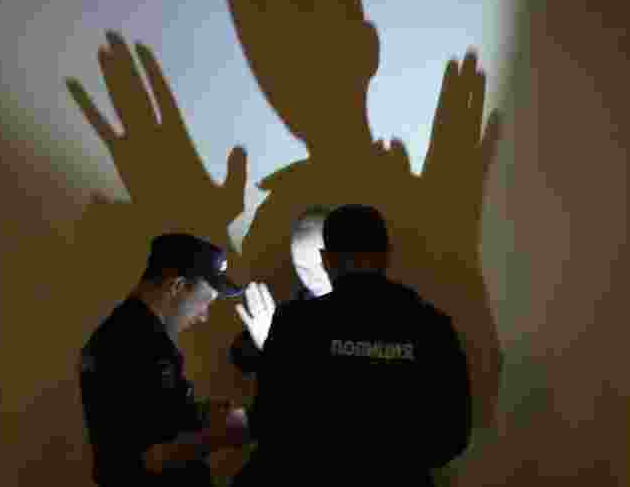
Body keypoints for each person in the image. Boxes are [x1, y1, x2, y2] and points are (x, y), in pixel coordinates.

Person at [233, 204, 472, 486]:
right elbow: (453, 434)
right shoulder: (431, 325)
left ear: (326, 259)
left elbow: (268, 422)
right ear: (386, 255)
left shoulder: (295, 323)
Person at [78, 232, 251, 486]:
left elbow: (153, 418)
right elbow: (151, 457)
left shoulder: (128, 334)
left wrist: (199, 414)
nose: (204, 316)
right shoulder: (135, 344)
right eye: (205, 302)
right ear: (177, 287)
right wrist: (229, 433)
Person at [229, 204, 335, 375]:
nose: (313, 278)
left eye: (320, 265)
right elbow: (246, 358)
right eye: (302, 268)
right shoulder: (297, 314)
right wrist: (266, 342)